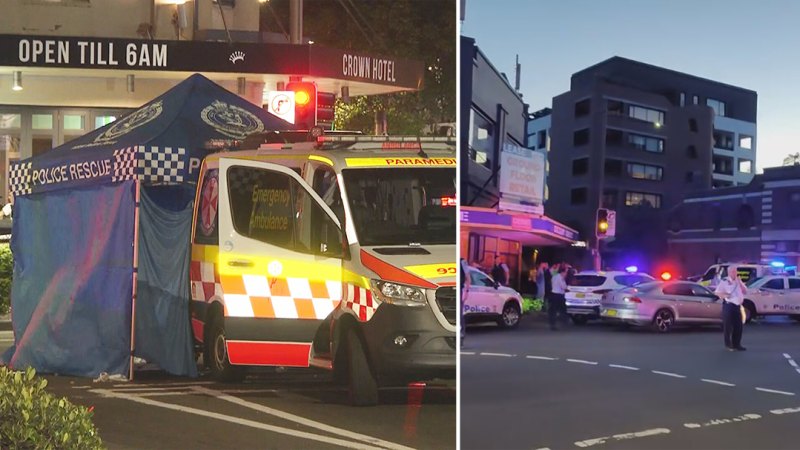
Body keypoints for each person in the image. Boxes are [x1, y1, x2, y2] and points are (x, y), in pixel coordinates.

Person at [715, 265, 747, 351]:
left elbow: (745, 291)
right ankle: (728, 345)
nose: (735, 273)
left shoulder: (738, 281)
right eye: (733, 271)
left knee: (738, 326)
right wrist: (725, 295)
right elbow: (717, 292)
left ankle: (737, 344)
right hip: (729, 305)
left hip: (737, 306)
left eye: (736, 271)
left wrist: (740, 282)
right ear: (729, 272)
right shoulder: (724, 281)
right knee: (728, 326)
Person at [460, 258, 471, 347]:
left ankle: (461, 337)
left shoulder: (462, 262)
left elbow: (468, 278)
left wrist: (466, 292)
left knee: (460, 315)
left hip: (460, 290)